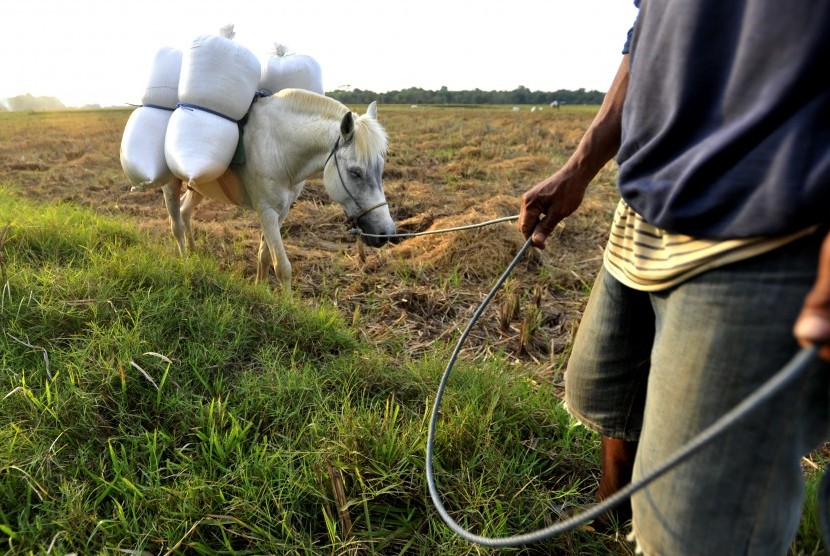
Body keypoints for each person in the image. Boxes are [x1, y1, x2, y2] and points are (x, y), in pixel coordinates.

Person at [518, 1, 830, 554]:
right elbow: (647, 30)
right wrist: (579, 167)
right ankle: (612, 514)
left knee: (693, 535)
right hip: (646, 201)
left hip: (770, 225)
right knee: (607, 394)